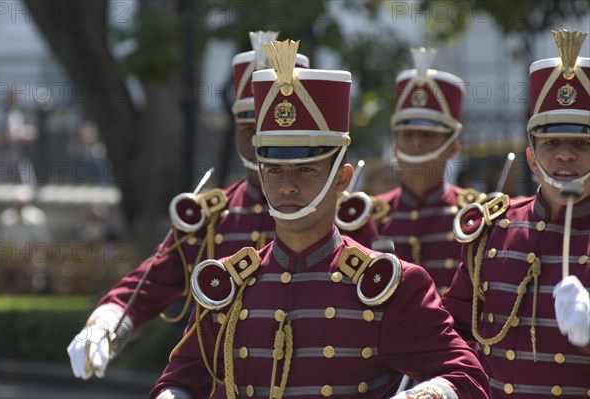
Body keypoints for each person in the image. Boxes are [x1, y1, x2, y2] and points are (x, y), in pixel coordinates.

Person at [149, 39, 490, 399]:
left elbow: (465, 376)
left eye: (306, 170)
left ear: (342, 179)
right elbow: (180, 380)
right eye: (275, 171)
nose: (288, 186)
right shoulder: (227, 287)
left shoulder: (391, 288)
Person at [66, 30, 308, 380]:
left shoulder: (342, 216)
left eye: (275, 131)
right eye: (251, 128)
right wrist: (105, 323)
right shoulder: (209, 218)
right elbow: (149, 284)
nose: (261, 143)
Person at [444, 29, 589, 398]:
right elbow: (456, 332)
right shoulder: (494, 229)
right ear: (531, 158)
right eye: (551, 143)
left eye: (581, 144)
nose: (565, 155)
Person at [372, 48, 484, 293]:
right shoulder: (371, 216)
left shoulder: (475, 215)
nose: (415, 143)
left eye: (427, 135)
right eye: (408, 134)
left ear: (453, 147)